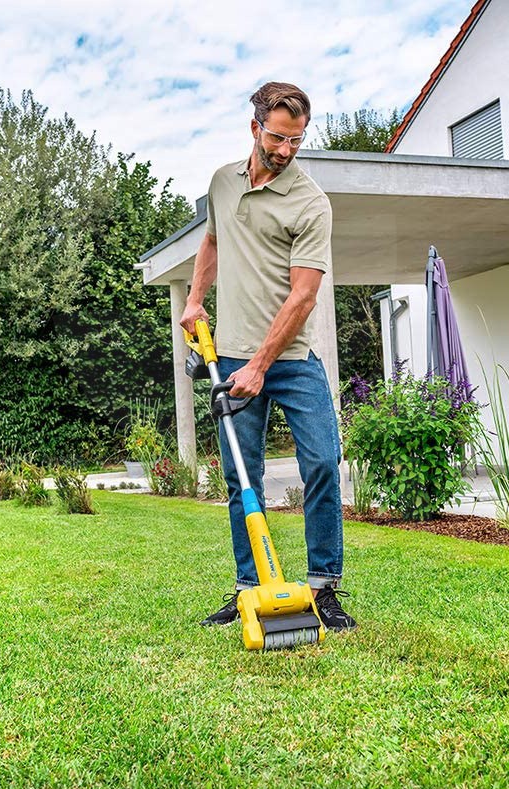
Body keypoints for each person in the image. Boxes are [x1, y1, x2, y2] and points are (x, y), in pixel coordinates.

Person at [179, 81, 356, 633]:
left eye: (296, 141)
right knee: (241, 477)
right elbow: (212, 242)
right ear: (255, 127)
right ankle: (247, 588)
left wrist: (260, 365)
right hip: (229, 356)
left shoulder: (310, 203)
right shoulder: (221, 183)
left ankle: (324, 586)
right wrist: (193, 298)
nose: (285, 150)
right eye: (277, 138)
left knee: (323, 462)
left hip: (291, 360)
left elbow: (304, 295)